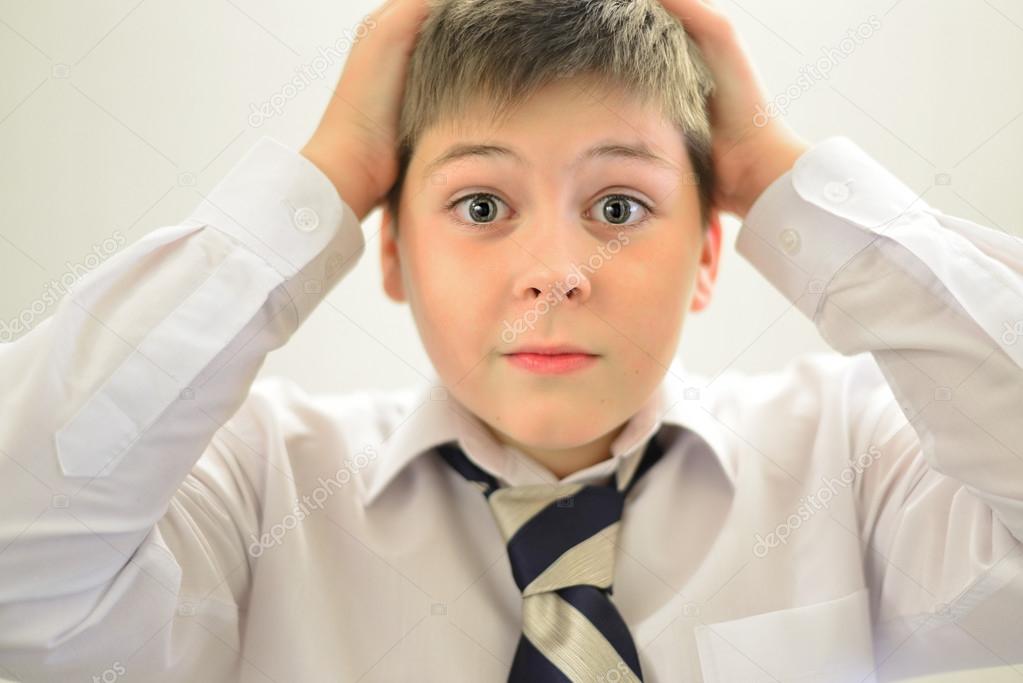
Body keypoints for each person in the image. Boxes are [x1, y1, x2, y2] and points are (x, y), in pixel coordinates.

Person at [1, 0, 1021, 681]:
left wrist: (780, 176)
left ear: (708, 253)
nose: (555, 270)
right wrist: (319, 182)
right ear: (391, 250)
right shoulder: (257, 484)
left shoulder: (851, 459)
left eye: (619, 206)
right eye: (482, 202)